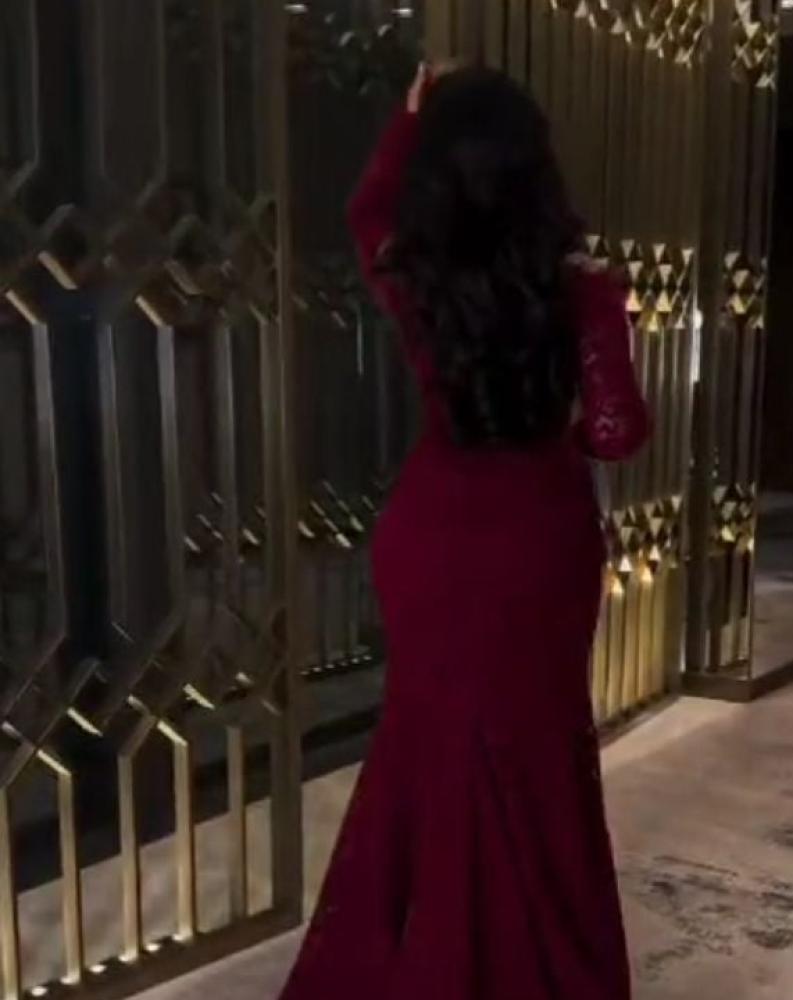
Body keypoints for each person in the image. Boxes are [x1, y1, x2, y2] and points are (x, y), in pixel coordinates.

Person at [279, 62, 649, 1000]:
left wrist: (408, 123)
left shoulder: (417, 276)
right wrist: (596, 366)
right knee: (538, 753)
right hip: (538, 539)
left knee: (428, 743)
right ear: (537, 172)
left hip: (434, 532)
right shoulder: (584, 293)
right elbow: (617, 433)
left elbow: (366, 210)